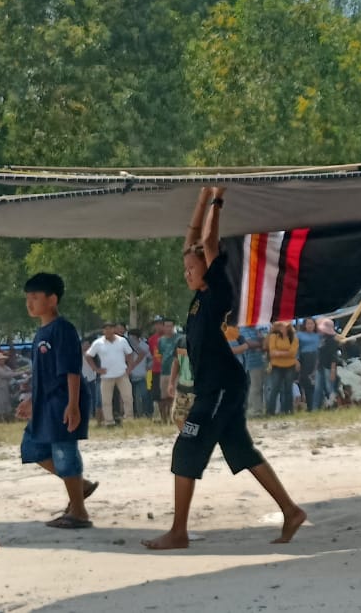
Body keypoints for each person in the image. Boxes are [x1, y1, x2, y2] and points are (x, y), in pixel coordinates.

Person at [143, 187, 306, 549]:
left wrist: (217, 201)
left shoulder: (218, 287)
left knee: (185, 451)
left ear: (208, 266)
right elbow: (192, 242)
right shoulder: (200, 294)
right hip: (218, 384)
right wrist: (201, 199)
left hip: (221, 385)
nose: (186, 273)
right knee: (241, 451)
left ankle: (179, 532)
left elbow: (207, 243)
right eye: (185, 268)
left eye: (191, 268)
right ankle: (291, 511)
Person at [17, 273, 95, 530]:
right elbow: (42, 374)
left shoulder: (62, 329)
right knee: (32, 449)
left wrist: (73, 405)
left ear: (52, 299)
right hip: (44, 403)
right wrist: (31, 400)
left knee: (64, 452)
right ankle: (79, 486)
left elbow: (71, 370)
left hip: (62, 400)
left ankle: (79, 513)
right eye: (28, 298)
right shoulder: (40, 332)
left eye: (35, 297)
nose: (30, 303)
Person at [86, 323, 136, 426]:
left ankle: (129, 418)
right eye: (105, 329)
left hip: (122, 374)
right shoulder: (98, 343)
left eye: (109, 329)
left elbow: (129, 353)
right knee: (106, 400)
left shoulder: (122, 341)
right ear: (103, 331)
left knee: (128, 397)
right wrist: (96, 369)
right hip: (106, 376)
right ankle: (109, 421)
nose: (108, 331)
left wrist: (130, 367)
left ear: (113, 329)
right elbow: (88, 355)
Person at [266, 321, 300, 415]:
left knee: (288, 388)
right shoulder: (273, 337)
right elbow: (272, 352)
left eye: (284, 326)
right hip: (276, 365)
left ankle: (288, 410)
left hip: (290, 366)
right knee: (275, 388)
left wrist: (279, 352)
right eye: (280, 326)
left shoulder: (294, 338)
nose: (282, 328)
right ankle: (270, 411)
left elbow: (293, 353)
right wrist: (286, 353)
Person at [296, 318, 323, 412]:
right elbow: (296, 348)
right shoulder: (299, 335)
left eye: (312, 324)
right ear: (304, 325)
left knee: (317, 382)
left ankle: (319, 405)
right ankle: (311, 406)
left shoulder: (318, 335)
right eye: (308, 324)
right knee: (307, 382)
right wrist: (297, 360)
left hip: (316, 359)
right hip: (305, 359)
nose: (310, 326)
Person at [315, 318, 342, 409]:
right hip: (321, 366)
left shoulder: (333, 341)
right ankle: (317, 407)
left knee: (329, 387)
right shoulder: (322, 340)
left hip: (329, 366)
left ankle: (332, 405)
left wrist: (333, 370)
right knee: (319, 387)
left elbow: (334, 357)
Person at [128, 328, 152, 418]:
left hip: (142, 374)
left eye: (131, 337)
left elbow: (151, 358)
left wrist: (148, 366)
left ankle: (147, 413)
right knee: (133, 396)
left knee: (144, 395)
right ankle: (136, 414)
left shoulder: (144, 346)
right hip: (131, 374)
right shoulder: (128, 346)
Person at [0, 354, 17, 422]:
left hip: (5, 387)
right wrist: (17, 373)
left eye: (3, 359)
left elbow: (11, 373)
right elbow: (5, 375)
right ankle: (1, 418)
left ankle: (7, 417)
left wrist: (18, 372)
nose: (3, 361)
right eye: (1, 359)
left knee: (5, 401)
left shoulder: (6, 367)